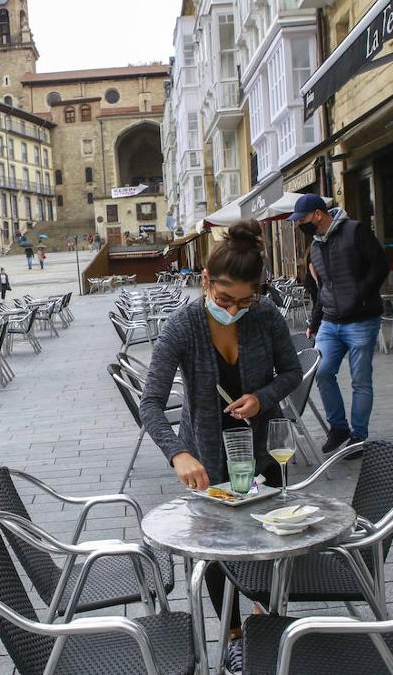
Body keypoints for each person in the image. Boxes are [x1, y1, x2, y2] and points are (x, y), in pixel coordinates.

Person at [137, 219, 302, 674]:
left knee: (266, 547)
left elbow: (292, 372)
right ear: (206, 282)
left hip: (262, 455)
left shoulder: (265, 315)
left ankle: (262, 625)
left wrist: (262, 397)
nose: (235, 308)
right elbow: (150, 401)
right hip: (207, 462)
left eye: (245, 300)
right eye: (226, 299)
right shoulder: (183, 325)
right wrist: (178, 453)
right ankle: (232, 638)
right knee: (214, 558)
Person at [289, 193, 388, 454]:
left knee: (360, 380)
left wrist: (361, 295)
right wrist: (315, 320)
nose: (299, 224)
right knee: (321, 372)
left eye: (302, 219)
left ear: (318, 215)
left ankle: (359, 436)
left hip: (361, 320)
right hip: (331, 322)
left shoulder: (355, 231)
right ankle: (338, 427)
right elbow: (323, 289)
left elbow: (380, 266)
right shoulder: (317, 246)